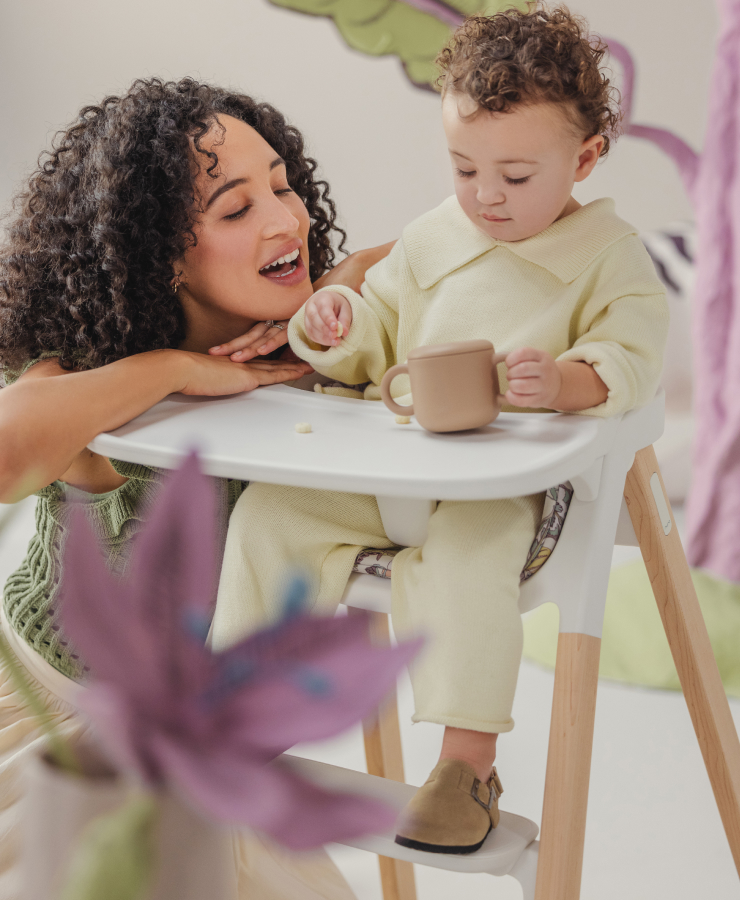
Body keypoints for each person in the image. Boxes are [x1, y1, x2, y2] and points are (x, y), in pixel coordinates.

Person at [212, 6, 670, 855]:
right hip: (386, 473)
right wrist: (338, 322)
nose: (486, 194)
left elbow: (635, 353)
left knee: (467, 561)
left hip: (507, 494)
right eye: (465, 167)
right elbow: (369, 348)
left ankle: (466, 767)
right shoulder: (431, 238)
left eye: (516, 174)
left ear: (585, 157)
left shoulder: (609, 255)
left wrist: (566, 380)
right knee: (271, 512)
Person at [0, 77, 389, 899]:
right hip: (56, 735)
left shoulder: (314, 341)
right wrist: (177, 370)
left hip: (204, 756)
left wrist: (342, 287)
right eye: (236, 208)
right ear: (160, 254)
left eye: (284, 186)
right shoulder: (88, 377)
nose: (288, 220)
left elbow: (445, 245)